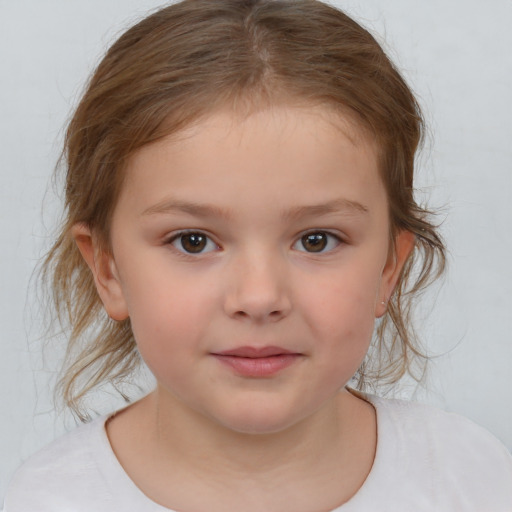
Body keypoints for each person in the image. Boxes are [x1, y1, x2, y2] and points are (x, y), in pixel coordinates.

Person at [3, 0, 512, 510]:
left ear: (387, 268)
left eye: (317, 240)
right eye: (193, 241)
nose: (259, 297)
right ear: (107, 268)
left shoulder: (472, 480)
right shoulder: (46, 501)